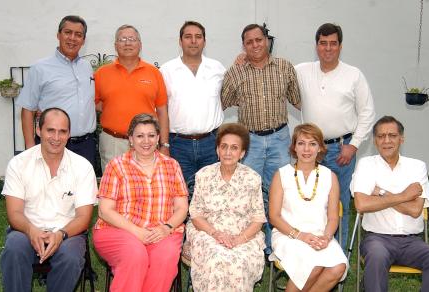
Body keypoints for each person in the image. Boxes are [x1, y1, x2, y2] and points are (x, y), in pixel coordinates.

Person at [221, 23, 301, 255]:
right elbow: (224, 101)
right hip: (251, 142)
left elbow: (296, 99)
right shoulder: (236, 72)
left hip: (279, 138)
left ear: (267, 41)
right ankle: (251, 245)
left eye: (259, 40)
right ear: (243, 46)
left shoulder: (285, 67)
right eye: (249, 42)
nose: (255, 45)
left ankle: (278, 244)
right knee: (249, 193)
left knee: (281, 191)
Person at [295, 23, 375, 249]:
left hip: (342, 150)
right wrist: (245, 60)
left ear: (340, 46)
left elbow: (367, 112)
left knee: (339, 204)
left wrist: (355, 145)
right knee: (307, 202)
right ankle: (310, 251)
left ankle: (338, 257)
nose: (327, 48)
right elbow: (277, 76)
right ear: (316, 45)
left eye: (333, 43)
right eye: (323, 43)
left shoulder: (353, 75)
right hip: (311, 150)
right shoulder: (301, 70)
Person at [0, 108, 97, 292]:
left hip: (67, 233)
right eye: (50, 130)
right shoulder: (19, 163)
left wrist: (60, 235)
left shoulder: (82, 167)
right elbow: (14, 213)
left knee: (71, 256)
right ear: (38, 130)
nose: (56, 137)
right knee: (14, 248)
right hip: (26, 230)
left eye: (62, 131)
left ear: (69, 134)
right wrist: (31, 230)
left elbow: (83, 217)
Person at [93, 113, 188, 292]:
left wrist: (166, 228)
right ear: (130, 139)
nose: (146, 141)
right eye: (140, 136)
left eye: (151, 135)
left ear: (158, 138)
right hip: (119, 230)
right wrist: (137, 232)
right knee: (135, 255)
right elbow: (105, 211)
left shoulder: (172, 165)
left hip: (163, 230)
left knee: (165, 257)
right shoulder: (116, 166)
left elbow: (182, 208)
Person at [351, 116, 429, 292]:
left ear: (401, 139)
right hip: (377, 239)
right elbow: (362, 204)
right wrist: (404, 195)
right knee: (377, 256)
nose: (386, 140)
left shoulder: (417, 167)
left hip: (412, 242)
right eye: (381, 136)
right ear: (374, 141)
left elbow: (415, 209)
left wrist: (381, 193)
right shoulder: (366, 165)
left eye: (392, 135)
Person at [186, 123, 266, 291]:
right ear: (217, 150)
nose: (228, 152)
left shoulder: (252, 178)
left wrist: (239, 239)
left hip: (244, 235)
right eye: (224, 147)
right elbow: (196, 215)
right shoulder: (204, 175)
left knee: (238, 262)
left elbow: (258, 220)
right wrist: (216, 234)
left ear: (242, 153)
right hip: (207, 232)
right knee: (216, 259)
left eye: (234, 148)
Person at [269, 123, 348, 291]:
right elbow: (274, 217)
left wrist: (326, 237)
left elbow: (333, 217)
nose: (307, 149)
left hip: (321, 235)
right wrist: (300, 235)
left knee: (338, 267)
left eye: (312, 144)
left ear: (320, 148)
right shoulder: (281, 175)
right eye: (301, 143)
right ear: (294, 148)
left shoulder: (330, 176)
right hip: (288, 236)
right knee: (314, 264)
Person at [17, 15, 97, 167]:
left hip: (86, 145)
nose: (72, 38)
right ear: (58, 35)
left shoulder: (87, 67)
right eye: (68, 32)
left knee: (83, 190)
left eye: (78, 34)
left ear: (83, 40)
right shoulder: (40, 68)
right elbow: (27, 109)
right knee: (48, 188)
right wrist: (30, 148)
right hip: (52, 143)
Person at [160, 21, 225, 193]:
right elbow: (161, 109)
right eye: (188, 37)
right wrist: (164, 145)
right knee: (181, 193)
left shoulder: (217, 68)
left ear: (204, 41)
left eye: (198, 37)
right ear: (180, 41)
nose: (193, 41)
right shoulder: (167, 70)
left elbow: (226, 97)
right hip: (178, 144)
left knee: (213, 192)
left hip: (211, 143)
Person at [95, 24, 169, 171]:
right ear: (115, 45)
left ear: (140, 44)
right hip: (113, 142)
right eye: (122, 39)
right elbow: (95, 104)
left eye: (132, 39)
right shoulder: (101, 73)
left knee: (146, 187)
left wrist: (164, 145)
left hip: (146, 142)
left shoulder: (154, 73)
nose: (127, 43)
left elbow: (162, 111)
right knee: (113, 189)